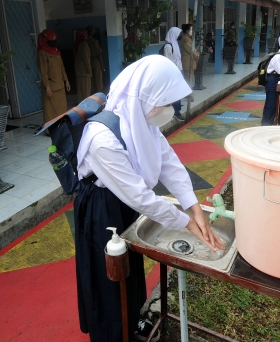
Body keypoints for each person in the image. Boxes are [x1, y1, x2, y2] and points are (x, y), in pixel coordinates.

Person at [74, 55, 225, 342]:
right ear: (144, 96)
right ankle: (111, 334)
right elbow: (140, 197)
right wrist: (187, 224)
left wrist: (196, 210)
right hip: (101, 210)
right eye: (166, 102)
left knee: (130, 270)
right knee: (107, 277)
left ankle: (131, 322)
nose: (169, 110)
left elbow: (170, 163)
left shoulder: (140, 121)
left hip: (124, 203)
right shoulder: (101, 138)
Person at [37, 28, 71, 124]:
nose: (54, 42)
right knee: (50, 111)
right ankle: (50, 129)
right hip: (51, 87)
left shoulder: (56, 51)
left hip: (60, 86)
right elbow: (44, 72)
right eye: (52, 40)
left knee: (62, 108)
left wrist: (66, 81)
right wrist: (47, 87)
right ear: (45, 41)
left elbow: (62, 67)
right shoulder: (42, 53)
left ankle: (62, 126)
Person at [163, 27, 184, 121]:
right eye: (178, 34)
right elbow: (169, 61)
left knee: (177, 92)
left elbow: (178, 59)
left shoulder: (174, 44)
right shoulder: (168, 46)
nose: (179, 36)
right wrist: (176, 71)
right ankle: (176, 112)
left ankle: (176, 110)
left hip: (177, 72)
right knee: (174, 93)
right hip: (172, 73)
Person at [180, 23, 199, 103]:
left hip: (191, 62)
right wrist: (197, 55)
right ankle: (191, 96)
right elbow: (190, 50)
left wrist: (196, 54)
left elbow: (193, 49)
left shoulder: (189, 39)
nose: (192, 31)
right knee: (188, 79)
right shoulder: (185, 39)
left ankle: (187, 94)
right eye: (191, 29)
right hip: (188, 62)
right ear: (187, 31)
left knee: (190, 78)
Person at [74, 29, 92, 102]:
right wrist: (89, 69)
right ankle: (86, 105)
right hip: (84, 71)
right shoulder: (84, 44)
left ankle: (80, 105)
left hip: (78, 71)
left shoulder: (76, 44)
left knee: (80, 90)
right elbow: (86, 58)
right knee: (86, 90)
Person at [86, 25, 105, 94]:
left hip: (88, 61)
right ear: (91, 32)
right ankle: (100, 94)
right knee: (98, 79)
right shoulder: (95, 41)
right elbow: (99, 54)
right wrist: (102, 65)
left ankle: (93, 94)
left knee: (92, 79)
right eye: (93, 30)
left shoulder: (85, 42)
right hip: (95, 60)